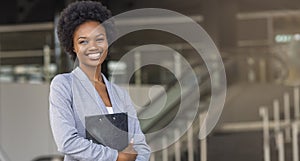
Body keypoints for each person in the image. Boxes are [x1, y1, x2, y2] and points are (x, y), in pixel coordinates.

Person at [49, 1, 151, 161]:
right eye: (83, 41)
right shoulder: (63, 85)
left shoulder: (120, 94)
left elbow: (141, 146)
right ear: (73, 46)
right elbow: (67, 142)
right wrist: (117, 157)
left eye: (99, 39)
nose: (93, 47)